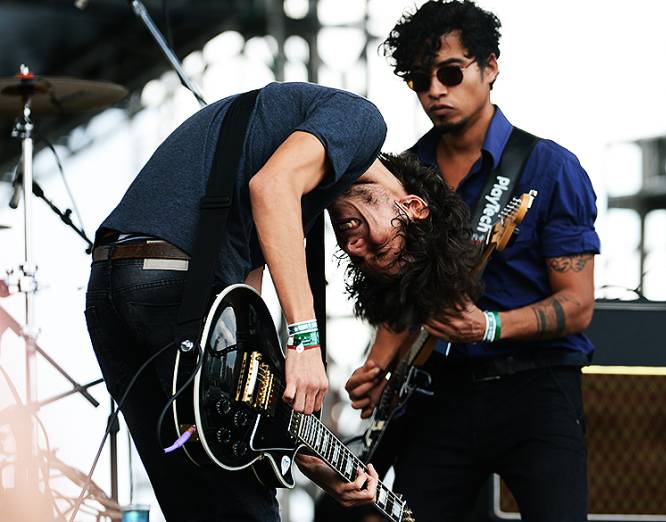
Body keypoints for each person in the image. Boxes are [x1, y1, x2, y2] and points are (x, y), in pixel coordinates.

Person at [84, 81, 479, 521]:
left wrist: (309, 451)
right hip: (173, 284)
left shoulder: (299, 193)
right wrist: (305, 343)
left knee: (195, 501)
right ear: (413, 207)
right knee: (245, 506)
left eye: (366, 259)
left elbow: (237, 320)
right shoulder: (362, 123)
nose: (357, 249)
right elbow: (271, 187)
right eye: (383, 247)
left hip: (112, 291)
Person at [346, 1, 600, 521]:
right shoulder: (403, 175)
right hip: (439, 394)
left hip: (536, 388)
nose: (435, 90)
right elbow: (404, 296)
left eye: (450, 72)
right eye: (420, 79)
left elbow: (576, 306)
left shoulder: (550, 168)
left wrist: (488, 326)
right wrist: (379, 364)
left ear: (490, 67)